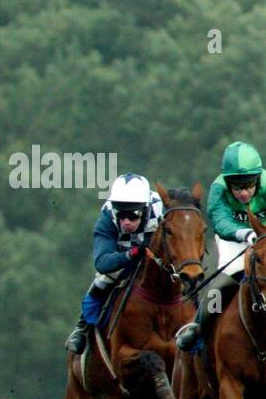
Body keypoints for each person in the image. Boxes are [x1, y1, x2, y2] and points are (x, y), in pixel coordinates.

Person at [176, 141, 266, 352]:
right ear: (227, 182)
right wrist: (244, 233)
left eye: (250, 184)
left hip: (264, 239)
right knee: (222, 283)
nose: (244, 193)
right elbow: (220, 220)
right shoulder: (218, 189)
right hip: (233, 239)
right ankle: (198, 329)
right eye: (236, 186)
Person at [64, 173, 164, 354]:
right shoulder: (107, 217)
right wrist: (133, 253)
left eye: (133, 215)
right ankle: (82, 328)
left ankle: (196, 327)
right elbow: (102, 262)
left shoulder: (159, 209)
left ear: (146, 209)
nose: (126, 222)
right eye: (121, 215)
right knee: (102, 280)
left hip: (154, 256)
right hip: (123, 254)